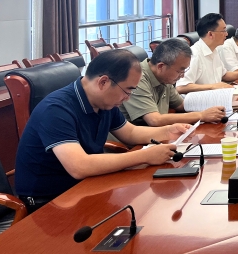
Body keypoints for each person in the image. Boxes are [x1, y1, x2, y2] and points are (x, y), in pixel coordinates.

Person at [14, 49, 190, 212]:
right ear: (103, 82)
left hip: (86, 185)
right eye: (127, 91)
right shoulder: (55, 109)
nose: (127, 98)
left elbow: (130, 133)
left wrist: (168, 131)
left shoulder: (104, 102)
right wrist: (145, 156)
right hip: (49, 200)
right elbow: (79, 166)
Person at [121, 38, 226, 126]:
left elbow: (181, 105)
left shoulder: (164, 78)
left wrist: (214, 107)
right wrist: (201, 115)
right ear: (161, 66)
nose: (182, 75)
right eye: (180, 71)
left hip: (160, 133)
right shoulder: (137, 79)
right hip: (134, 141)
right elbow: (154, 120)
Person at [176, 13, 238, 94]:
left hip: (216, 97)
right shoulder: (194, 55)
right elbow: (181, 87)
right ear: (210, 34)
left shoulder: (214, 50)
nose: (227, 34)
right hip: (200, 101)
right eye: (223, 31)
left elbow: (224, 75)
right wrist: (212, 86)